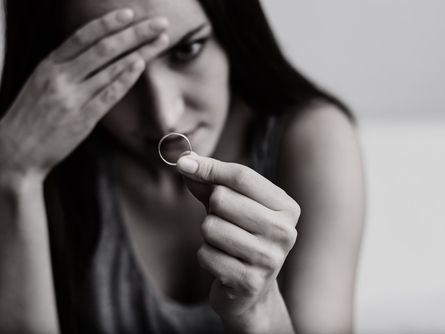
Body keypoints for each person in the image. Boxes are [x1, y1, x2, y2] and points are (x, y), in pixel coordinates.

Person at [0, 0, 365, 333]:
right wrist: (16, 177)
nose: (164, 115)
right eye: (114, 70)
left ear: (232, 29)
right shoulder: (37, 160)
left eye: (187, 50)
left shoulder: (311, 141)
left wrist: (259, 310)